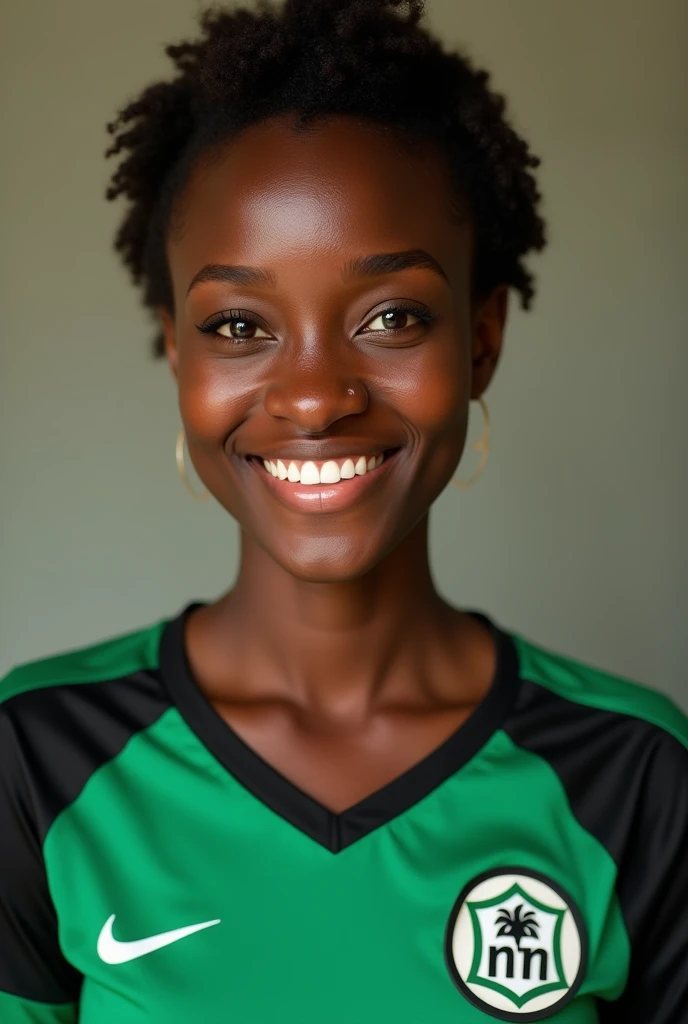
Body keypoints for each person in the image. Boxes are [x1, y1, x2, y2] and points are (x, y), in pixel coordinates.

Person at [1, 0, 686, 1020]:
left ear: (481, 339)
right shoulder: (39, 758)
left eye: (391, 316)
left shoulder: (630, 772)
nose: (316, 394)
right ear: (179, 354)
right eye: (239, 324)